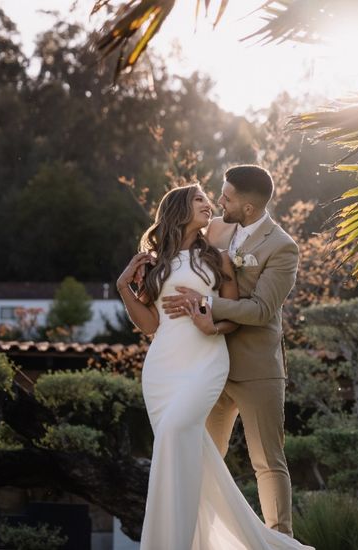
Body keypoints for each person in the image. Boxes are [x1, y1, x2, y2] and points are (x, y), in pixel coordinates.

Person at [116, 183, 309, 550]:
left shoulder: (218, 258)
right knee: (191, 453)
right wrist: (125, 287)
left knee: (176, 432)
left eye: (212, 198)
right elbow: (151, 325)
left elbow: (237, 316)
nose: (211, 205)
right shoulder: (154, 261)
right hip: (163, 369)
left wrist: (212, 324)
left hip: (206, 360)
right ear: (178, 209)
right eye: (201, 199)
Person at [160, 165, 300, 535]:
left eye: (226, 197)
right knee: (204, 455)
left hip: (257, 367)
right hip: (209, 362)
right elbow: (182, 239)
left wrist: (207, 302)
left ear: (248, 208)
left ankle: (280, 539)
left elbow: (259, 310)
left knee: (267, 461)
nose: (218, 201)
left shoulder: (282, 247)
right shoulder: (219, 228)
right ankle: (199, 535)